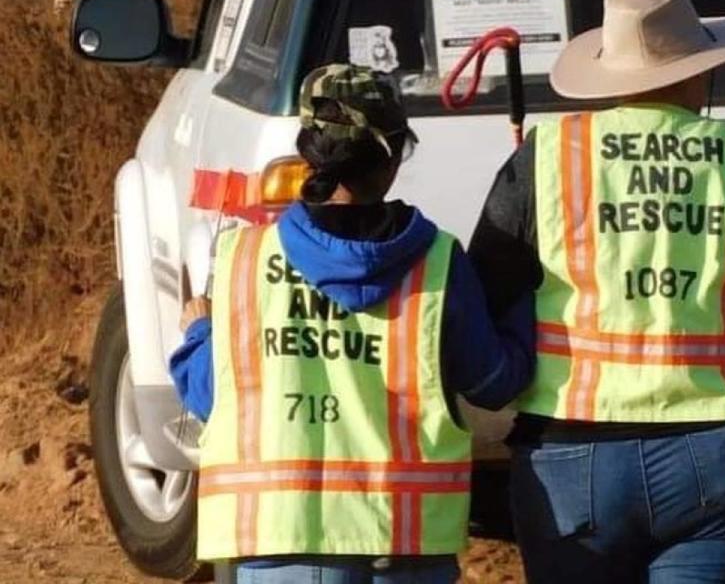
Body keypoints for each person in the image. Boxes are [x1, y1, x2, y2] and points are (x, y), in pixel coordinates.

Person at [468, 0, 725, 584]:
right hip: (723, 457)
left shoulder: (547, 159)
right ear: (700, 69)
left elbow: (483, 299)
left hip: (573, 461)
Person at [173, 64, 534, 583]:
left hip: (283, 542)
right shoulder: (437, 262)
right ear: (394, 158)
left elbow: (212, 395)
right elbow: (495, 381)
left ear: (309, 153)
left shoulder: (243, 260)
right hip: (406, 543)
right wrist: (528, 293)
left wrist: (199, 333)